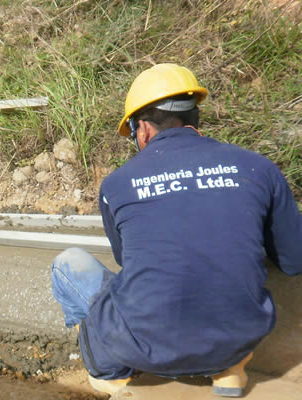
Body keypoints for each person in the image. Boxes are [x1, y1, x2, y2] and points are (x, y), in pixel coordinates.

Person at [50, 64, 302, 397]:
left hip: (147, 346)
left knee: (67, 265)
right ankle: (228, 373)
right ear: (193, 116)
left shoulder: (117, 184)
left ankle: (113, 374)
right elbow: (294, 260)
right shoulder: (258, 168)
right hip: (238, 340)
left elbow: (129, 262)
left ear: (142, 129)